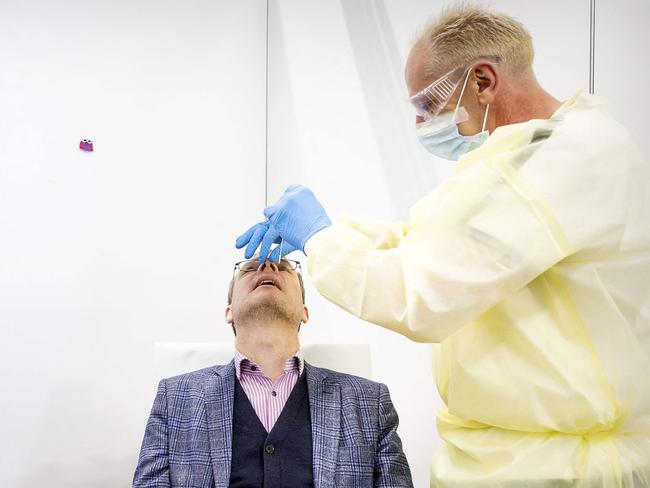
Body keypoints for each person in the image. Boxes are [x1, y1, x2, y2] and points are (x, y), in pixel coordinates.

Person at [235, 5, 650, 487]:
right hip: (502, 456)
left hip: (554, 467)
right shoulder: (527, 157)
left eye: (428, 106)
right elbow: (426, 243)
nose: (420, 124)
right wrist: (329, 232)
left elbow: (422, 294)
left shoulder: (569, 159)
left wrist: (319, 236)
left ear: (482, 82)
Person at [133, 257, 413, 488]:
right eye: (251, 268)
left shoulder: (369, 402)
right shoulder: (174, 399)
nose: (268, 267)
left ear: (304, 311)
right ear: (229, 311)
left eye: (284, 266)